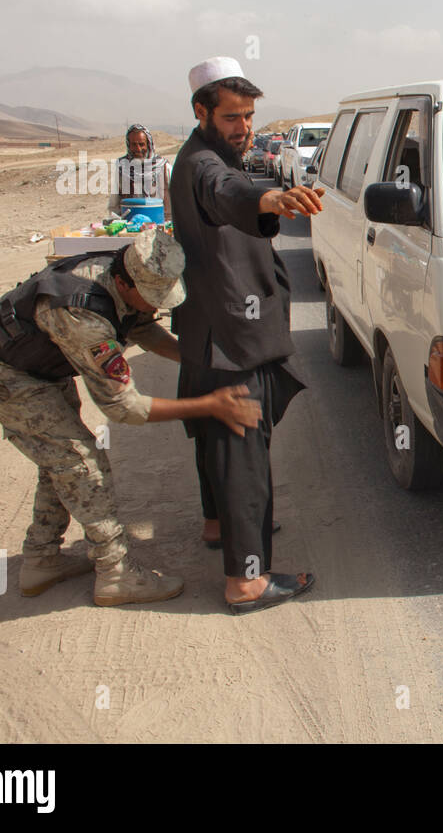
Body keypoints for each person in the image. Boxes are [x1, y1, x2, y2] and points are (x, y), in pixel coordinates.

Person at [0, 229, 263, 604]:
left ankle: (42, 558)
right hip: (5, 374)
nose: (155, 308)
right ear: (124, 281)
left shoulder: (118, 271)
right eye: (150, 299)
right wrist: (210, 404)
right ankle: (115, 574)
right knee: (81, 462)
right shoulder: (83, 316)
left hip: (37, 365)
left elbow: (138, 325)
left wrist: (195, 358)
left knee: (58, 463)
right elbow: (124, 408)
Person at [169, 56, 325, 614]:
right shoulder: (204, 165)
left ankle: (218, 526)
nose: (244, 127)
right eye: (232, 117)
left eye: (250, 116)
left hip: (213, 330)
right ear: (201, 111)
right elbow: (226, 193)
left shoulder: (204, 155)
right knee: (243, 457)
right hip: (232, 336)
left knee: (218, 444)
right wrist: (270, 199)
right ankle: (247, 582)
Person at [107, 124, 171, 220]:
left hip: (161, 222)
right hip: (131, 225)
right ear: (128, 145)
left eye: (141, 144)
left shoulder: (164, 166)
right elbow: (114, 204)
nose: (138, 149)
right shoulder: (122, 167)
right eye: (134, 144)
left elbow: (178, 199)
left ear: (148, 144)